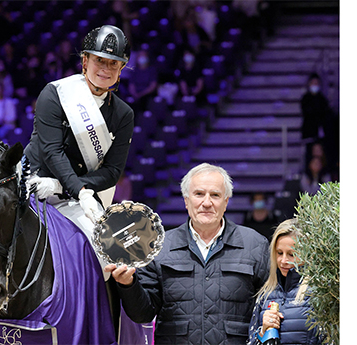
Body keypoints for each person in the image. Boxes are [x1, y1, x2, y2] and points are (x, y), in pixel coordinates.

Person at [105, 163, 270, 344]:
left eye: (215, 195)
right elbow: (142, 314)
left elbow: (270, 305)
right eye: (199, 194)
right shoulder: (159, 246)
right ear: (186, 200)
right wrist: (128, 284)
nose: (206, 203)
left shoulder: (255, 244)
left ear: (226, 201)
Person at [24, 24, 134, 279]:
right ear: (85, 60)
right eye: (99, 60)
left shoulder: (123, 115)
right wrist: (80, 189)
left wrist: (70, 189)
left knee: (108, 255)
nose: (105, 69)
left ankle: (108, 319)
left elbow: (112, 171)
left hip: (75, 199)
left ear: (122, 69)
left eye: (113, 64)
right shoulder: (55, 94)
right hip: (33, 183)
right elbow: (51, 151)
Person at [247, 219, 323, 344]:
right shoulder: (265, 294)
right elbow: (251, 342)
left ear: (307, 254)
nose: (283, 261)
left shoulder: (319, 293)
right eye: (279, 253)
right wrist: (262, 332)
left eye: (291, 254)